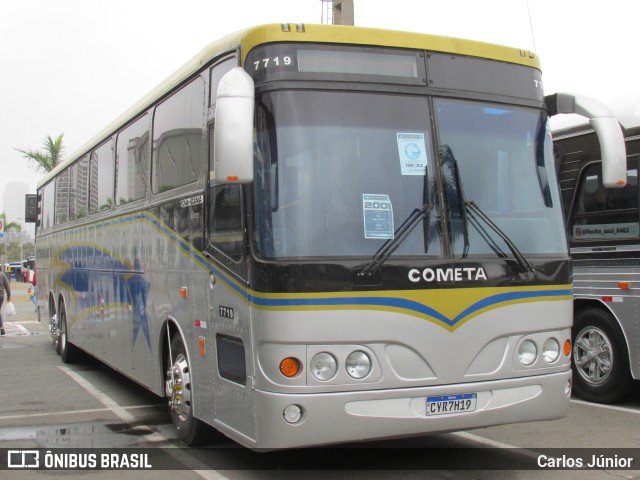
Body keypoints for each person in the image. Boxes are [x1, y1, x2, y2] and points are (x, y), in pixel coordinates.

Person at [0, 270, 11, 336]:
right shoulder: (2, 275)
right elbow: (7, 286)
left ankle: (1, 327)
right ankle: (1, 328)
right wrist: (8, 296)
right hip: (1, 296)